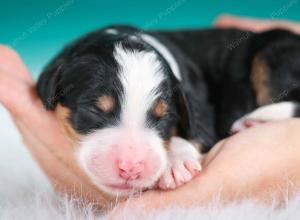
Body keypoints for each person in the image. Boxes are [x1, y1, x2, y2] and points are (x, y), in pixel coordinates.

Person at [1, 15, 300, 214]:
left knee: (278, 55)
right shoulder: (67, 70)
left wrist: (181, 147)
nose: (130, 164)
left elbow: (203, 127)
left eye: (158, 119)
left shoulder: (181, 85)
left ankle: (293, 105)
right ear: (53, 89)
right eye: (96, 112)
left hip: (274, 51)